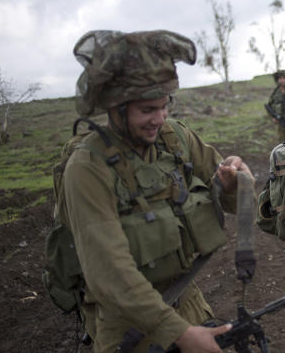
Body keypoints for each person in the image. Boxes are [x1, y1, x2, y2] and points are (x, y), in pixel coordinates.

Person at [62, 29, 253, 353]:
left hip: (187, 301)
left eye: (165, 106)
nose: (160, 118)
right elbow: (109, 272)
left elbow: (227, 193)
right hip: (128, 324)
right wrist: (177, 332)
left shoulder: (174, 137)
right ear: (116, 109)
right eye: (147, 110)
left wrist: (233, 181)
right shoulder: (87, 169)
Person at [266, 70, 285, 141]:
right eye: (280, 78)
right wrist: (273, 117)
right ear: (277, 80)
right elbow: (269, 106)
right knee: (282, 141)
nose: (282, 80)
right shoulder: (275, 92)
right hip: (280, 120)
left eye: (284, 78)